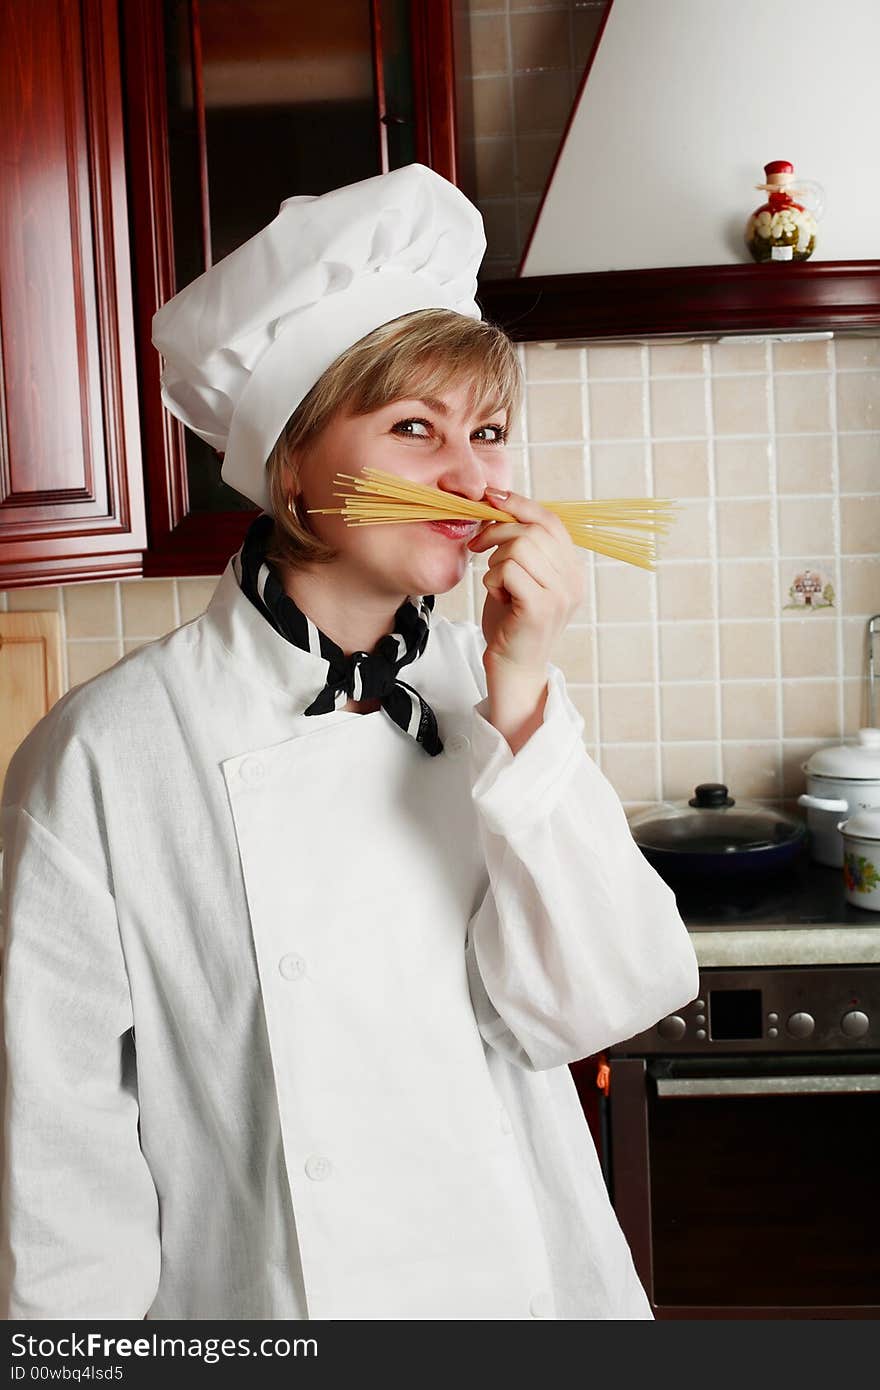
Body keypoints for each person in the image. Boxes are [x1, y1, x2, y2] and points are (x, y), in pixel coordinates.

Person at [0, 164, 698, 1320]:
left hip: (521, 1290)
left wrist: (523, 697)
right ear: (291, 461)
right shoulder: (110, 752)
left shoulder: (494, 693)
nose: (472, 477)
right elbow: (59, 1152)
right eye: (414, 428)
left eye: (486, 431)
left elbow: (601, 1001)